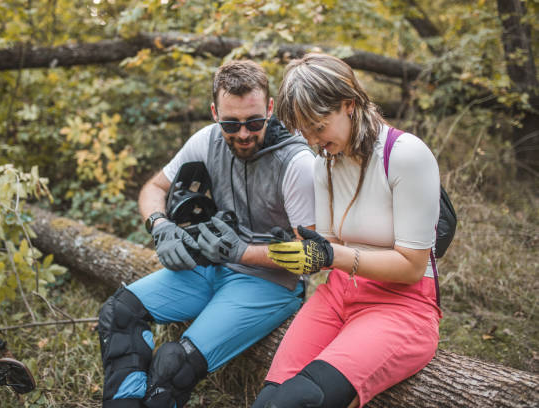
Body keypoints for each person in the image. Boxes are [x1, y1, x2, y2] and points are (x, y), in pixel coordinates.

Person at [97, 60, 316, 408]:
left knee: (173, 366)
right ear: (215, 112)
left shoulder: (297, 162)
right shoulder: (208, 140)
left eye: (254, 122)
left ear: (270, 108)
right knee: (119, 313)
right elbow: (154, 187)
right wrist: (161, 225)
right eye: (231, 123)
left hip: (270, 282)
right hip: (211, 266)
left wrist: (240, 252)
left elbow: (311, 256)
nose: (243, 134)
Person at [252, 53, 442, 408]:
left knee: (300, 401)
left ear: (349, 105)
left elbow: (413, 266)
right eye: (304, 132)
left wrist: (331, 254)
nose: (312, 141)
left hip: (402, 306)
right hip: (338, 296)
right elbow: (330, 247)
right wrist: (303, 253)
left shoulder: (406, 156)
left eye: (318, 127)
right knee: (269, 402)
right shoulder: (324, 164)